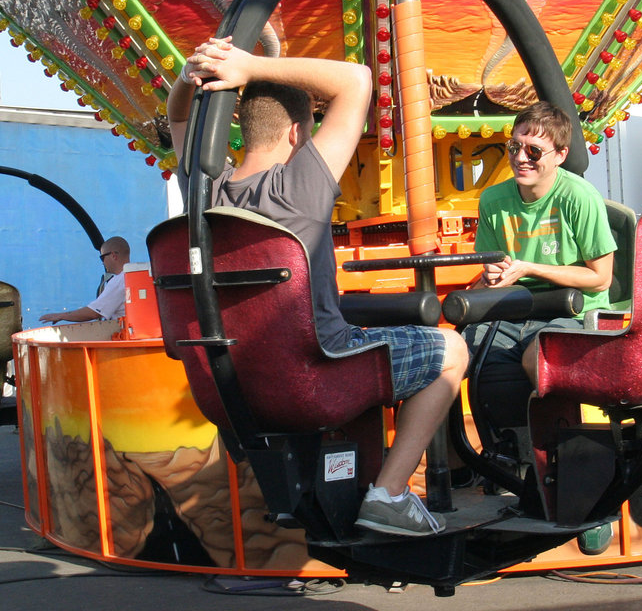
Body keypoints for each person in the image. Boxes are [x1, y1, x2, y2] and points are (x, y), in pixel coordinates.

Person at [170, 37, 468, 537]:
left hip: (232, 383)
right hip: (315, 374)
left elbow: (178, 118)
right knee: (451, 348)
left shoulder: (205, 191)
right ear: (295, 134)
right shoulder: (297, 188)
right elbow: (357, 80)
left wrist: (189, 76)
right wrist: (253, 65)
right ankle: (390, 494)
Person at [465, 101, 616, 431]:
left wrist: (531, 268)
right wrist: (490, 276)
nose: (520, 158)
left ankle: (559, 452)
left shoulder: (579, 197)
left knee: (538, 359)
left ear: (560, 155)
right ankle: (469, 466)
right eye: (514, 147)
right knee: (449, 358)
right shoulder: (493, 200)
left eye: (533, 151)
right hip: (512, 312)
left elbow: (601, 279)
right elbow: (489, 268)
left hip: (573, 313)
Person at [39, 237, 131, 324]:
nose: (103, 263)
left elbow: (94, 312)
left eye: (102, 258)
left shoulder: (119, 281)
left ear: (113, 256)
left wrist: (61, 316)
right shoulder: (135, 277)